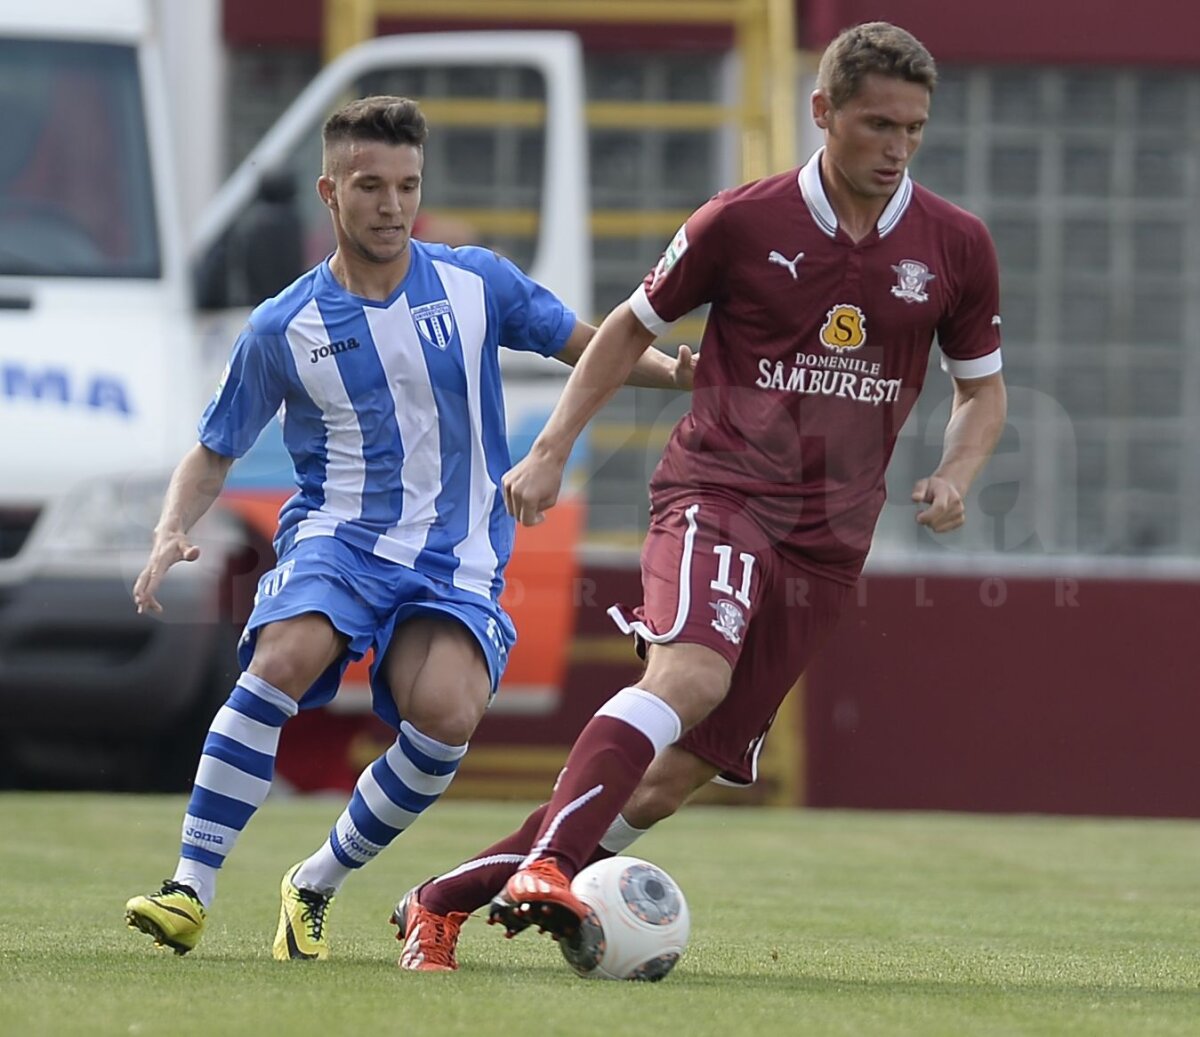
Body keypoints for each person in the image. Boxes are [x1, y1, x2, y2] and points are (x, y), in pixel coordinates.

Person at [388, 21, 1008, 972]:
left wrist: (957, 473)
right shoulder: (741, 222)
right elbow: (627, 331)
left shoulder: (954, 245)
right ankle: (551, 864)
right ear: (823, 113)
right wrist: (551, 449)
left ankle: (443, 900)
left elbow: (981, 387)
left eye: (914, 129)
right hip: (720, 491)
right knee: (691, 674)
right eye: (878, 124)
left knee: (670, 781)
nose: (897, 148)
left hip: (828, 539)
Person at [123, 95, 694, 960]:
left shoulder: (475, 282)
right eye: (370, 185)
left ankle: (314, 880)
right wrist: (171, 529)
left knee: (447, 716)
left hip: (459, 556)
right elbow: (214, 446)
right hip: (339, 538)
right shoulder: (285, 325)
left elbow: (590, 344)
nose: (391, 205)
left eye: (407, 185)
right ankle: (188, 889)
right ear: (330, 192)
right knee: (284, 655)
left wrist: (673, 373)